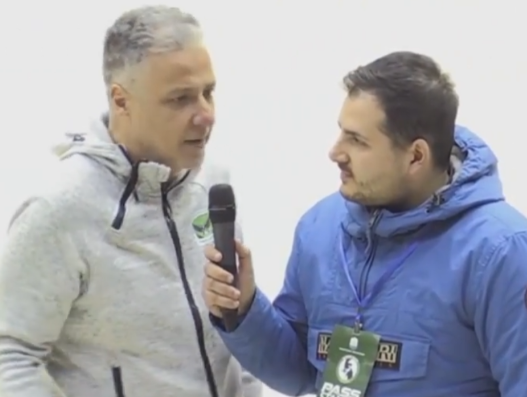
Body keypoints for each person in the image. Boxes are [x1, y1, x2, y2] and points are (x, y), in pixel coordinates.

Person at [203, 51, 527, 397]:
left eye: (357, 140)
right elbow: (298, 371)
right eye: (341, 132)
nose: (335, 152)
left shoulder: (501, 252)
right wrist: (245, 310)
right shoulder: (320, 228)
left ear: (416, 156)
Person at [0, 5, 261, 397]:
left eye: (208, 93)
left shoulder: (211, 184)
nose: (205, 115)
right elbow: (11, 353)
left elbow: (237, 330)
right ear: (121, 100)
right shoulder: (61, 208)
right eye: (180, 99)